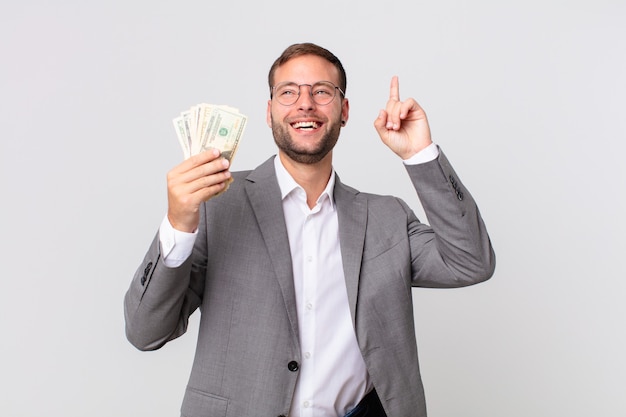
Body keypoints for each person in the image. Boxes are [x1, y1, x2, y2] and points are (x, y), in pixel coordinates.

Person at [124, 42, 495, 417]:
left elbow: (471, 262)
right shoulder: (216, 203)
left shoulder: (387, 218)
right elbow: (146, 332)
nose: (305, 104)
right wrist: (178, 223)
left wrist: (420, 154)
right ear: (269, 113)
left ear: (343, 110)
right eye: (288, 92)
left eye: (321, 91)